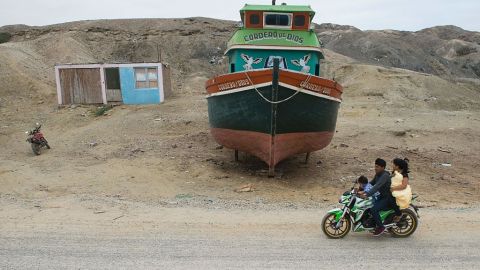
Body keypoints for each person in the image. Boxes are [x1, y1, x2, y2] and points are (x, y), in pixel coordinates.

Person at [358, 158, 401, 236]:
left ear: (383, 167)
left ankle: (381, 227)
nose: (375, 168)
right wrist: (361, 189)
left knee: (374, 209)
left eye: (377, 167)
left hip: (388, 198)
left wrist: (366, 194)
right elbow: (371, 183)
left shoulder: (385, 176)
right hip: (381, 197)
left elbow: (376, 186)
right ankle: (373, 223)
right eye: (375, 166)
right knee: (368, 206)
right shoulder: (378, 175)